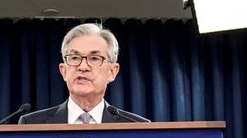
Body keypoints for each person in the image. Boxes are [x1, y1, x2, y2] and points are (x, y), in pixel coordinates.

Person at [18, 23, 149, 124]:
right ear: (64, 71)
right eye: (75, 58)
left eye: (94, 58)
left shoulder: (137, 126)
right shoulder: (32, 123)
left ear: (112, 72)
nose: (83, 66)